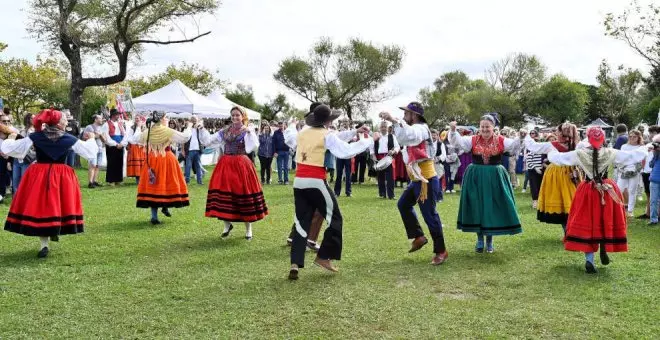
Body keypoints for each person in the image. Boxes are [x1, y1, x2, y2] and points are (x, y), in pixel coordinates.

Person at [284, 104, 372, 280]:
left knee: (302, 221)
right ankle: (324, 256)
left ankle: (295, 264)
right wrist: (368, 140)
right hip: (316, 180)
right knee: (335, 218)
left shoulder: (302, 133)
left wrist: (292, 124)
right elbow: (345, 151)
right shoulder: (326, 135)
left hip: (299, 181)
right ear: (328, 121)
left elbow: (289, 136)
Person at [547, 126, 647, 273]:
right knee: (605, 220)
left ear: (588, 138)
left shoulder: (580, 153)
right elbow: (632, 157)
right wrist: (648, 148)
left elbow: (559, 159)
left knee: (588, 221)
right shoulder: (611, 152)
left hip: (587, 190)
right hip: (607, 190)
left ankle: (589, 259)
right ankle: (604, 249)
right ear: (602, 138)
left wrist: (550, 151)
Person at [1, 109, 97, 257]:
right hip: (61, 176)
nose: (66, 121)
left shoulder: (36, 136)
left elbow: (14, 150)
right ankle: (53, 231)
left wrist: (11, 139)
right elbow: (89, 152)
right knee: (57, 205)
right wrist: (91, 139)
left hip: (40, 174)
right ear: (58, 123)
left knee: (42, 208)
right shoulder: (69, 138)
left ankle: (44, 244)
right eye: (64, 119)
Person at [381, 102, 448, 265]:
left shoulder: (422, 129)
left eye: (406, 113)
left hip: (426, 180)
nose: (404, 116)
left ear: (414, 115)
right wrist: (396, 145)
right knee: (403, 204)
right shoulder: (414, 129)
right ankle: (419, 236)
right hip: (416, 179)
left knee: (430, 216)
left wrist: (395, 120)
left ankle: (441, 251)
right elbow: (405, 140)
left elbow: (410, 136)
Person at [448, 113, 522, 253]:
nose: (485, 129)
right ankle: (480, 239)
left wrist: (522, 137)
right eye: (482, 126)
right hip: (475, 176)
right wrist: (452, 130)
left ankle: (489, 241)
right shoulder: (473, 139)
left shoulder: (501, 140)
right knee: (477, 206)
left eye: (487, 126)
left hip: (495, 176)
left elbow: (514, 147)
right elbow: (456, 142)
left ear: (493, 127)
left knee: (491, 207)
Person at [206, 106, 267, 240]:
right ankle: (227, 225)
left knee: (243, 194)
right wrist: (198, 128)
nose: (234, 117)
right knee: (224, 194)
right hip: (226, 164)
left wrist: (250, 132)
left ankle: (248, 229)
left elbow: (253, 147)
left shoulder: (247, 130)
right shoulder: (225, 130)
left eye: (237, 115)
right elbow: (208, 140)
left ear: (243, 116)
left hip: (241, 163)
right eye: (233, 115)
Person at [132, 111, 192, 224]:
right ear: (161, 119)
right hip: (166, 159)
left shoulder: (147, 131)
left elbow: (135, 139)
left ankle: (154, 216)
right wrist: (189, 126)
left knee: (154, 185)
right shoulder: (167, 131)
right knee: (166, 183)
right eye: (166, 117)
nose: (167, 119)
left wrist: (139, 127)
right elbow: (184, 137)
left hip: (152, 159)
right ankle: (165, 207)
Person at [525, 123, 585, 234]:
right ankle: (568, 231)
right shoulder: (577, 145)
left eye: (557, 131)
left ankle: (570, 230)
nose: (555, 133)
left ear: (561, 133)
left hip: (564, 174)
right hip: (565, 174)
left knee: (569, 202)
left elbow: (533, 146)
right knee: (567, 202)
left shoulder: (573, 145)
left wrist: (527, 133)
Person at [616, 130, 645, 217]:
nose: (632, 138)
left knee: (632, 190)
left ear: (638, 137)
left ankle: (630, 211)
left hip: (635, 171)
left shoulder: (641, 147)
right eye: (630, 136)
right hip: (624, 170)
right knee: (618, 189)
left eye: (634, 137)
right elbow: (621, 158)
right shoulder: (624, 146)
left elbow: (641, 159)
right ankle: (617, 208)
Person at [370, 121, 401, 199]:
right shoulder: (377, 137)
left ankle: (391, 195)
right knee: (380, 177)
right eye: (382, 127)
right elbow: (371, 147)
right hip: (379, 158)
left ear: (387, 128)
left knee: (390, 177)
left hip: (389, 158)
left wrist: (393, 151)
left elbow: (397, 147)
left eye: (385, 127)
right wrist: (373, 156)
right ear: (380, 128)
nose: (383, 128)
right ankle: (382, 194)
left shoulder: (392, 136)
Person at [638, 125, 660, 219]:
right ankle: (649, 213)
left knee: (655, 196)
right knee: (649, 195)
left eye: (653, 133)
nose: (651, 135)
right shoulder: (648, 145)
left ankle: (655, 215)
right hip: (648, 173)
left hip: (653, 173)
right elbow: (644, 160)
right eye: (650, 132)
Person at [102, 109, 128, 185]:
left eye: (118, 114)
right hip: (112, 146)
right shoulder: (107, 124)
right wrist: (115, 144)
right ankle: (111, 180)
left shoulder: (120, 124)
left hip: (120, 144)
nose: (118, 116)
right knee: (112, 162)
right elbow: (106, 136)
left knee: (120, 162)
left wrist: (122, 144)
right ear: (113, 115)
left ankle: (118, 179)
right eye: (117, 114)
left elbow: (125, 135)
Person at [12, 113, 36, 193]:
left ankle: (24, 201)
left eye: (34, 118)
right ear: (27, 119)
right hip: (17, 159)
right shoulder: (20, 130)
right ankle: (16, 201)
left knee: (24, 181)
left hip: (28, 159)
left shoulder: (36, 131)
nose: (34, 119)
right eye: (32, 118)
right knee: (15, 181)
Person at [183, 116, 210, 185]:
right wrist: (183, 150)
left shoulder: (200, 129)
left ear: (197, 121)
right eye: (192, 120)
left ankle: (199, 181)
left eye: (195, 120)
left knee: (198, 166)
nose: (194, 121)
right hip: (189, 150)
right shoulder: (187, 129)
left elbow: (206, 137)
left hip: (197, 150)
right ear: (190, 121)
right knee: (188, 166)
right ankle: (187, 181)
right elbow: (183, 140)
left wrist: (201, 128)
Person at [525, 130, 545, 209]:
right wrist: (535, 168)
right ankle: (535, 201)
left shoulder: (542, 152)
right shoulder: (531, 152)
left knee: (541, 186)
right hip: (533, 171)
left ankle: (540, 201)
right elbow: (528, 161)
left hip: (542, 170)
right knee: (534, 186)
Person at [126, 115, 146, 184]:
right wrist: (138, 127)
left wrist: (142, 143)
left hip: (142, 147)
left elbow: (145, 137)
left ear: (141, 119)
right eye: (136, 118)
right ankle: (138, 179)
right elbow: (131, 138)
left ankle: (143, 179)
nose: (136, 119)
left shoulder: (144, 127)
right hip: (135, 148)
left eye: (138, 118)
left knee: (142, 164)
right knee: (137, 163)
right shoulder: (133, 127)